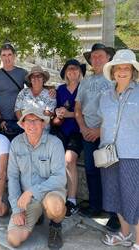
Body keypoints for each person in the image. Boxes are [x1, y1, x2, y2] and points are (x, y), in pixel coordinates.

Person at [75, 43, 120, 231]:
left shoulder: (115, 80)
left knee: (110, 173)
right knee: (92, 171)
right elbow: (78, 109)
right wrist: (84, 128)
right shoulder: (85, 82)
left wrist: (99, 131)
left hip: (108, 135)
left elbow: (118, 111)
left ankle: (115, 215)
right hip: (87, 133)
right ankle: (95, 207)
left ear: (108, 57)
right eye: (93, 56)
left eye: (100, 56)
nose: (97, 59)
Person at [7, 108, 67, 249]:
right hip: (30, 200)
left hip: (50, 192)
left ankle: (55, 226)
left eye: (36, 120)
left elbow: (59, 178)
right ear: (22, 124)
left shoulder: (55, 143)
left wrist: (31, 191)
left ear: (43, 123)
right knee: (14, 239)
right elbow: (13, 177)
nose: (31, 125)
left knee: (55, 206)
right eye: (28, 120)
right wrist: (16, 209)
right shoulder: (16, 143)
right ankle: (38, 215)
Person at [98, 49, 139, 250]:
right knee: (115, 195)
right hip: (108, 155)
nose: (122, 71)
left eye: (127, 68)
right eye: (119, 68)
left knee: (134, 197)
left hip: (133, 154)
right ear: (113, 71)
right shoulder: (105, 96)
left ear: (133, 71)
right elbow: (103, 123)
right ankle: (124, 233)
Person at [51, 59, 86, 217]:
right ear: (65, 73)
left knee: (70, 159)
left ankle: (71, 200)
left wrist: (69, 114)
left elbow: (88, 112)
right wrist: (58, 112)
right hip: (61, 130)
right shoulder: (59, 90)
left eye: (75, 69)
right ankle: (57, 195)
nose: (72, 71)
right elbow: (54, 110)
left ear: (80, 72)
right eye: (69, 69)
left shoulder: (85, 89)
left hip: (78, 131)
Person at [0, 43, 27, 141]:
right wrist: (0, 119)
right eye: (4, 55)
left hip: (20, 120)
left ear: (14, 56)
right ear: (0, 57)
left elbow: (35, 88)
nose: (7, 58)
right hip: (3, 121)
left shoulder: (22, 73)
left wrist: (50, 89)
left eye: (9, 54)